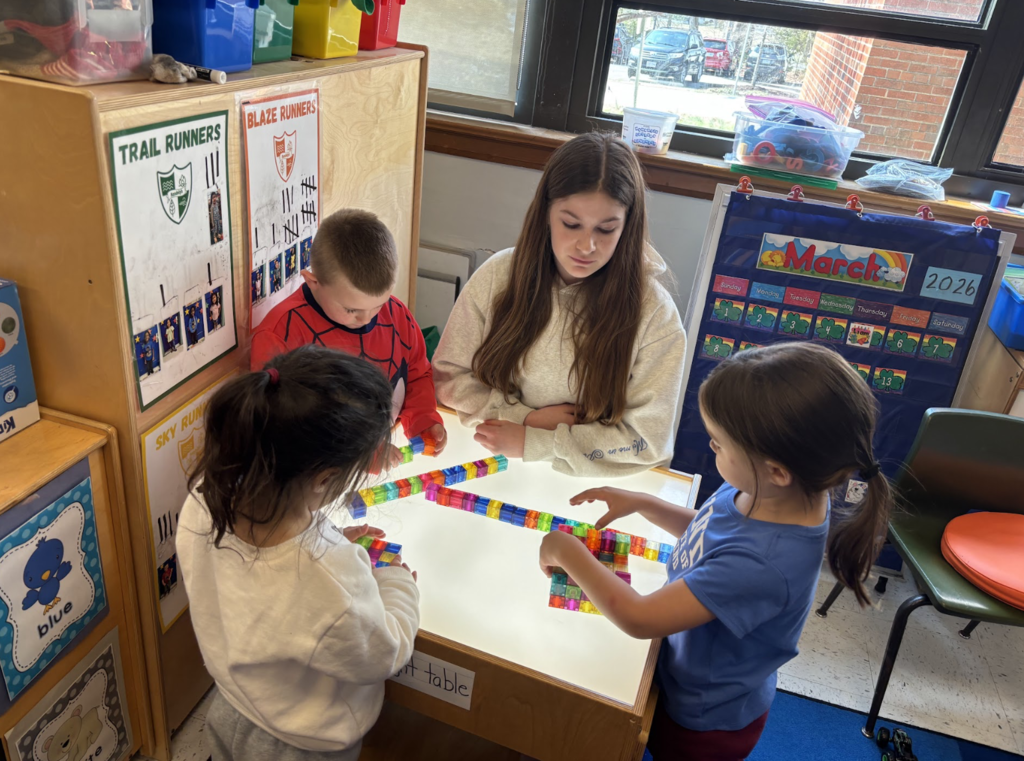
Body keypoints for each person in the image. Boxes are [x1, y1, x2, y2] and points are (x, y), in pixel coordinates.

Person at [539, 342, 893, 760]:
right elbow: (714, 531)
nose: (712, 450)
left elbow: (639, 618)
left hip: (703, 722)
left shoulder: (763, 561)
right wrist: (644, 503)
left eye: (718, 444)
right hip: (687, 673)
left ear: (777, 470)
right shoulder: (773, 489)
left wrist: (564, 550)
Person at [178, 346, 420, 761]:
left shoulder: (204, 502)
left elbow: (268, 586)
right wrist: (396, 584)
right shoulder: (330, 579)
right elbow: (383, 652)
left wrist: (332, 539)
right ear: (324, 479)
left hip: (231, 706)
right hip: (302, 743)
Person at [432, 132, 685, 476]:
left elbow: (647, 442)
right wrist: (524, 421)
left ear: (628, 227)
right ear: (546, 213)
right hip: (491, 456)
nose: (586, 246)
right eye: (571, 224)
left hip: (582, 483)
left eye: (606, 230)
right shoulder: (499, 275)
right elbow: (448, 377)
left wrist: (535, 441)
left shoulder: (655, 314)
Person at [251, 209, 447, 467]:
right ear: (313, 282)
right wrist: (358, 455)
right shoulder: (281, 334)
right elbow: (282, 425)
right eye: (351, 310)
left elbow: (416, 374)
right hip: (319, 473)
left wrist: (424, 419)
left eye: (378, 305)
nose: (366, 319)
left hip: (382, 453)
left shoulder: (397, 314)